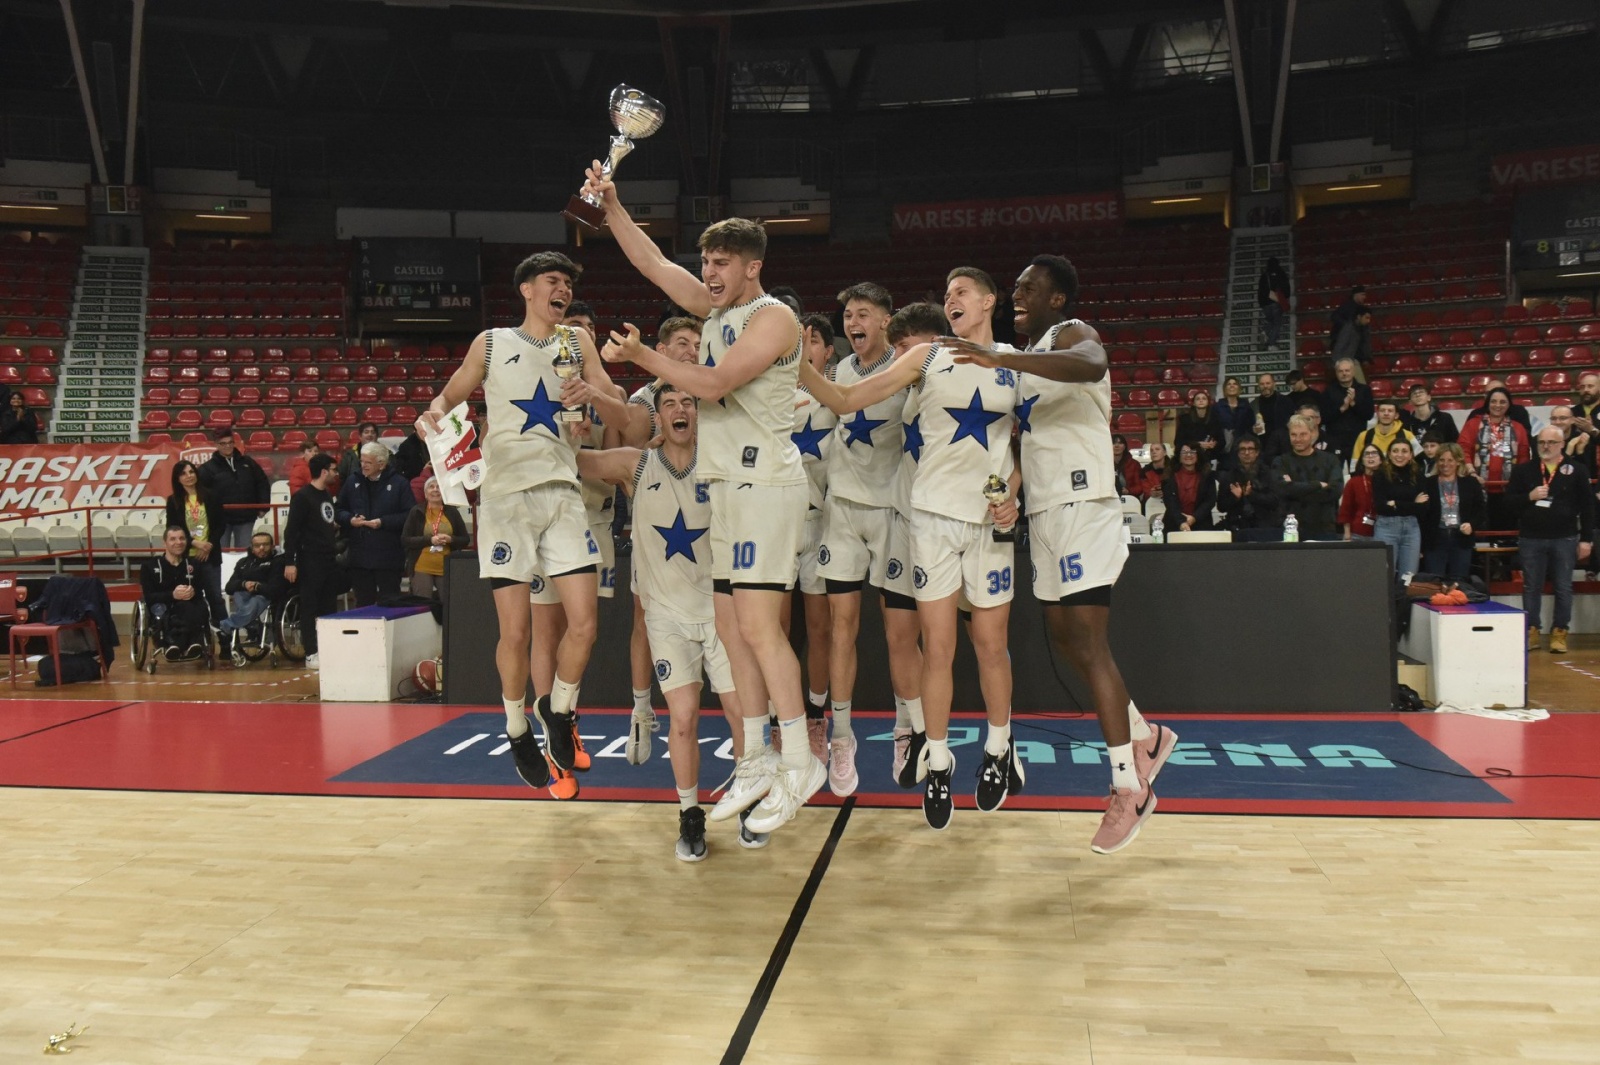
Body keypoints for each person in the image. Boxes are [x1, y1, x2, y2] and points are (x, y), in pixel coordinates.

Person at [586, 163, 822, 834]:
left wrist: (644, 357)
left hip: (768, 486)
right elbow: (654, 263)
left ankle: (797, 761)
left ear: (752, 266)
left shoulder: (775, 316)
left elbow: (714, 385)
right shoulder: (718, 309)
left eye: (721, 262)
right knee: (730, 628)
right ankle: (753, 758)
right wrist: (613, 206)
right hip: (730, 489)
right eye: (707, 261)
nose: (709, 271)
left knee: (758, 628)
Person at [941, 253, 1175, 853]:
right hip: (1043, 513)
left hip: (1086, 504)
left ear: (1057, 299)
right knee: (1067, 640)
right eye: (1015, 286)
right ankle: (1146, 735)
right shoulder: (1023, 368)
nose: (1018, 293)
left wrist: (1001, 356)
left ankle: (1129, 787)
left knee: (1089, 641)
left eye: (1028, 286)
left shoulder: (1069, 336)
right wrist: (1011, 496)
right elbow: (1024, 446)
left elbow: (1092, 362)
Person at [800, 266, 1020, 831]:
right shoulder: (924, 358)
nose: (952, 299)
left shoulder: (1014, 363)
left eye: (962, 291)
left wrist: (1014, 496)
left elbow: (1025, 448)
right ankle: (938, 757)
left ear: (989, 301)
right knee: (939, 646)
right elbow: (847, 397)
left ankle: (1000, 749)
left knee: (991, 644)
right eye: (946, 294)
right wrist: (792, 362)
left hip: (986, 521)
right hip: (929, 523)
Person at [415, 250, 612, 801]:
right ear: (527, 289)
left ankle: (560, 710)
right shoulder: (493, 342)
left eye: (569, 283)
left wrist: (592, 395)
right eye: (554, 281)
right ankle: (516, 725)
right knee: (516, 632)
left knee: (585, 622)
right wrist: (434, 415)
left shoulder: (578, 344)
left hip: (563, 494)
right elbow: (449, 395)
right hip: (505, 501)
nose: (564, 290)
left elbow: (614, 399)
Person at [578, 383, 765, 858]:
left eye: (689, 403)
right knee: (682, 719)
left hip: (721, 612)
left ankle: (747, 802)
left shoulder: (721, 459)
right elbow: (574, 462)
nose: (680, 410)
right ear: (656, 417)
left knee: (740, 715)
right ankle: (689, 814)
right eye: (669, 404)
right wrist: (556, 433)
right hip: (667, 619)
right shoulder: (636, 465)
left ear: (700, 414)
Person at [816, 281, 919, 798]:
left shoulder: (906, 368)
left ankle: (908, 729)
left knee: (900, 633)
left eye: (862, 313)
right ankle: (840, 735)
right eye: (848, 315)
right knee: (842, 628)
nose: (852, 322)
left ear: (885, 320)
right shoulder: (840, 370)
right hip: (842, 513)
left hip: (893, 513)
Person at [610, 317, 703, 753]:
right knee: (644, 617)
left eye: (698, 343)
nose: (691, 350)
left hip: (704, 520)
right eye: (682, 343)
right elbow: (635, 444)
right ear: (661, 350)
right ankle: (642, 709)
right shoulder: (644, 398)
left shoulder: (709, 386)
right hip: (655, 520)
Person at [880, 301, 944, 783]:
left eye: (905, 348)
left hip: (955, 521)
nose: (898, 357)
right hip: (904, 518)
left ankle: (997, 741)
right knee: (899, 633)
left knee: (973, 640)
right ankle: (919, 731)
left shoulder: (968, 378)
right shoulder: (902, 384)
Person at [791, 312, 838, 777]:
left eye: (815, 340)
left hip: (824, 525)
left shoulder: (840, 395)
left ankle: (815, 717)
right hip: (781, 526)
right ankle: (777, 720)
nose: (807, 346)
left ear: (828, 351)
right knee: (779, 632)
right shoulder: (772, 395)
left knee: (821, 630)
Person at [1508, 427, 1595, 654]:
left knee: (1563, 587)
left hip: (1564, 537)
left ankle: (1560, 631)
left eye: (1551, 442)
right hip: (1530, 538)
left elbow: (1587, 507)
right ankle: (1532, 630)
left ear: (1562, 444)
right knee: (1531, 587)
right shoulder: (1523, 470)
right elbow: (1508, 503)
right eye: (1542, 442)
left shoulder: (1577, 470)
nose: (1545, 446)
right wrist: (1529, 496)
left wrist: (1586, 540)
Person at [281, 453, 342, 670]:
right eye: (333, 469)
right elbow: (291, 531)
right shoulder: (303, 497)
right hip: (310, 560)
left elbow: (322, 521)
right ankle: (311, 652)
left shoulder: (325, 495)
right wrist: (290, 561)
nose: (336, 473)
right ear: (324, 471)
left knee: (328, 606)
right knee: (310, 606)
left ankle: (328, 649)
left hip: (328, 559)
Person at [336, 441, 415, 606]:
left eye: (368, 462)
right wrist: (350, 519)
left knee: (390, 603)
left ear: (381, 464)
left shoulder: (400, 483)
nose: (363, 466)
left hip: (388, 556)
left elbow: (409, 514)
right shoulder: (353, 481)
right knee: (363, 603)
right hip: (359, 556)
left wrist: (383, 522)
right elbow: (339, 510)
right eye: (362, 462)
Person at [165, 459, 226, 627]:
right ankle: (197, 639)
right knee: (192, 597)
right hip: (186, 558)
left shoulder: (211, 495)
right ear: (177, 478)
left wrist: (208, 546)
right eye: (183, 473)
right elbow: (173, 527)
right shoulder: (173, 501)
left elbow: (220, 525)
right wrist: (194, 544)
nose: (189, 476)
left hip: (210, 556)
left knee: (215, 598)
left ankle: (226, 642)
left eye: (191, 472)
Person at [140, 526, 210, 658]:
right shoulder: (149, 566)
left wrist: (193, 592)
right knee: (179, 609)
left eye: (182, 538)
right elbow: (149, 597)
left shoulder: (194, 564)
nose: (178, 542)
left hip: (190, 606)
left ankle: (179, 644)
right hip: (163, 607)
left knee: (194, 606)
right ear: (164, 542)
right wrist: (172, 595)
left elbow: (201, 592)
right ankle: (187, 643)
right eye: (173, 539)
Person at [1272, 414, 1345, 540]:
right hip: (1291, 530)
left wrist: (1294, 488)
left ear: (1313, 434)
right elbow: (1282, 490)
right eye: (1293, 435)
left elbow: (1335, 490)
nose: (1298, 439)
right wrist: (1318, 485)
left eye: (1303, 434)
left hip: (1324, 528)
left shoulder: (1330, 460)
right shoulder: (1280, 461)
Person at [1421, 443, 1486, 579]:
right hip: (1435, 539)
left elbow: (1481, 510)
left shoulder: (1470, 483)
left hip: (1461, 539)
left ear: (1458, 461)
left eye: (1450, 460)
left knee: (1459, 582)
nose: (1446, 464)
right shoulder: (1428, 483)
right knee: (1434, 582)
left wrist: (1472, 525)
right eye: (1442, 460)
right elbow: (1422, 515)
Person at [198, 429, 271, 549]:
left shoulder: (248, 462)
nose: (228, 446)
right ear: (216, 444)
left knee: (244, 552)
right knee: (221, 553)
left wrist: (263, 506)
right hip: (220, 520)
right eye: (223, 443)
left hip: (245, 517)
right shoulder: (207, 468)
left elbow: (262, 482)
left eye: (230, 442)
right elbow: (202, 493)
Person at [401, 476, 469, 600]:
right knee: (423, 605)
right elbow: (405, 539)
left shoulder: (452, 512)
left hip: (446, 566)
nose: (435, 490)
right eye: (431, 487)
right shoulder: (416, 511)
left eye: (439, 487)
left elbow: (465, 539)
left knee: (449, 605)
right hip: (421, 566)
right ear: (425, 494)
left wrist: (451, 539)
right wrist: (429, 540)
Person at [1369, 437, 1428, 576]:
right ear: (1389, 454)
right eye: (1395, 451)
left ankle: (1404, 599)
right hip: (1386, 528)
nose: (1399, 455)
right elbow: (1381, 507)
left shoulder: (1418, 475)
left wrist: (1396, 503)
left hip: (1412, 528)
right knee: (1384, 575)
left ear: (1411, 455)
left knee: (1409, 576)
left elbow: (1424, 507)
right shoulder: (1380, 475)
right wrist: (1414, 504)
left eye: (1404, 451)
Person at [220, 530, 286, 646]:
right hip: (245, 595)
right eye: (257, 545)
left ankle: (228, 624)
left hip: (265, 595)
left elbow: (275, 590)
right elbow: (229, 587)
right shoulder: (243, 562)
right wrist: (244, 584)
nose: (261, 548)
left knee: (255, 600)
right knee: (238, 594)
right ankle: (252, 625)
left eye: (265, 545)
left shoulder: (277, 562)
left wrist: (257, 586)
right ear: (252, 547)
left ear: (272, 546)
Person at [1217, 435, 1280, 540]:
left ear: (1257, 452)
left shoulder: (1268, 473)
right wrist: (1235, 497)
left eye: (1250, 449)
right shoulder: (1229, 476)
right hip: (1237, 525)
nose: (1246, 453)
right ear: (1238, 453)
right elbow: (1221, 506)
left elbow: (1274, 501)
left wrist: (1252, 495)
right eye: (1242, 449)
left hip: (1264, 526)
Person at [1320, 358, 1373, 459]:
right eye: (1340, 371)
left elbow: (1369, 415)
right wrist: (1342, 408)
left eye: (1347, 370)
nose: (1344, 374)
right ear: (1336, 373)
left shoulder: (1364, 390)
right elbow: (1324, 417)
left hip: (1358, 439)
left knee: (1357, 472)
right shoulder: (1328, 391)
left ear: (1353, 372)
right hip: (1335, 439)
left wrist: (1353, 403)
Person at [1349, 400, 1419, 473]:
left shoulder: (1407, 435)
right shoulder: (1364, 436)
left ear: (1396, 415)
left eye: (1390, 411)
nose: (1386, 413)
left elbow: (1419, 459)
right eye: (1382, 410)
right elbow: (1355, 463)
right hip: (1372, 480)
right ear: (1377, 414)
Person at [1161, 443, 1217, 532]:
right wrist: (1181, 521)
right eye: (1184, 452)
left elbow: (1210, 500)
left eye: (1192, 452)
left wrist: (1194, 518)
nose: (1188, 455)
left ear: (1198, 455)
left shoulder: (1207, 475)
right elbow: (1170, 502)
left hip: (1201, 523)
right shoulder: (1169, 475)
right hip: (1174, 523)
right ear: (1178, 456)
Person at [1338, 444, 1383, 541]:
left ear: (1381, 459)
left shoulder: (1387, 481)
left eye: (1374, 453)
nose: (1370, 456)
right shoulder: (1354, 482)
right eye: (1367, 454)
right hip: (1356, 533)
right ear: (1362, 460)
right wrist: (1347, 534)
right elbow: (1346, 509)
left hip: (1382, 532)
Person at [1173, 391, 1225, 467]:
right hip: (1190, 457)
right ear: (1193, 403)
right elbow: (1178, 442)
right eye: (1198, 399)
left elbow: (1222, 442)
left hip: (1210, 457)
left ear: (1208, 402)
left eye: (1204, 398)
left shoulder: (1216, 419)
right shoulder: (1185, 419)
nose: (1201, 400)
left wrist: (1214, 445)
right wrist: (1197, 444)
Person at [1257, 256, 1291, 347]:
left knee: (1271, 321)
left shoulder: (1264, 276)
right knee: (1277, 324)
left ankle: (1265, 330)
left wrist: (1262, 303)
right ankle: (1271, 343)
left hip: (1265, 304)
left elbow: (1261, 291)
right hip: (1276, 302)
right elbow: (1286, 288)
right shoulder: (1281, 274)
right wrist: (1285, 298)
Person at [1332, 309, 1373, 380]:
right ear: (1359, 316)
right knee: (1360, 385)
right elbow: (1339, 347)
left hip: (1353, 360)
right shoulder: (1348, 329)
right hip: (1346, 361)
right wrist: (1338, 363)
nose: (1368, 321)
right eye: (1366, 318)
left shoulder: (1363, 329)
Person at [1253, 372, 1293, 441]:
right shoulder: (1253, 405)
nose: (1265, 386)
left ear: (1274, 384)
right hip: (1262, 445)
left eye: (1268, 383)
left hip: (1283, 444)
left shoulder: (1286, 401)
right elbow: (1248, 426)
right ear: (1259, 385)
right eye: (1262, 384)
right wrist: (1253, 429)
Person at [1216, 377, 1255, 447]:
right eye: (1229, 384)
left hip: (1242, 445)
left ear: (1239, 388)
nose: (1232, 386)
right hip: (1223, 447)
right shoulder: (1217, 407)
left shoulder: (1246, 406)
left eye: (1235, 384)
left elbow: (1251, 426)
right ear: (1225, 388)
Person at [1112, 434, 1146, 500]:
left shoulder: (1134, 464)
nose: (1116, 446)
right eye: (1113, 443)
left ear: (1124, 446)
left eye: (1120, 443)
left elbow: (1139, 487)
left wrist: (1128, 491)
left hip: (1131, 498)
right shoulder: (1104, 465)